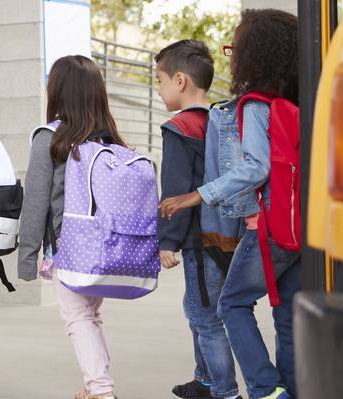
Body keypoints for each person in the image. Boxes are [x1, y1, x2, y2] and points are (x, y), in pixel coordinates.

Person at [160, 9, 301, 399]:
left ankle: (264, 389)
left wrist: (197, 195)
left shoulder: (254, 106)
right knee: (286, 311)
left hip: (268, 227)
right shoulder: (294, 104)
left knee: (232, 304)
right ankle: (291, 387)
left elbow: (255, 168)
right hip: (300, 227)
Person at [17, 55, 129, 399]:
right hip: (106, 244)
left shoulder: (51, 138)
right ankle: (94, 384)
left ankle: (101, 390)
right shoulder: (110, 140)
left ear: (58, 91)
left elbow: (35, 201)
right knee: (90, 315)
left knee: (77, 316)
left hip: (70, 246)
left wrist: (26, 257)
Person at [153, 40, 241, 399]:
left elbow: (175, 190)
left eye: (158, 81)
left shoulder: (180, 128)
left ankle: (224, 391)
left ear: (179, 81)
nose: (158, 90)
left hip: (196, 238)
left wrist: (167, 242)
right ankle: (204, 379)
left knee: (206, 317)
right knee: (198, 307)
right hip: (227, 234)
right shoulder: (222, 121)